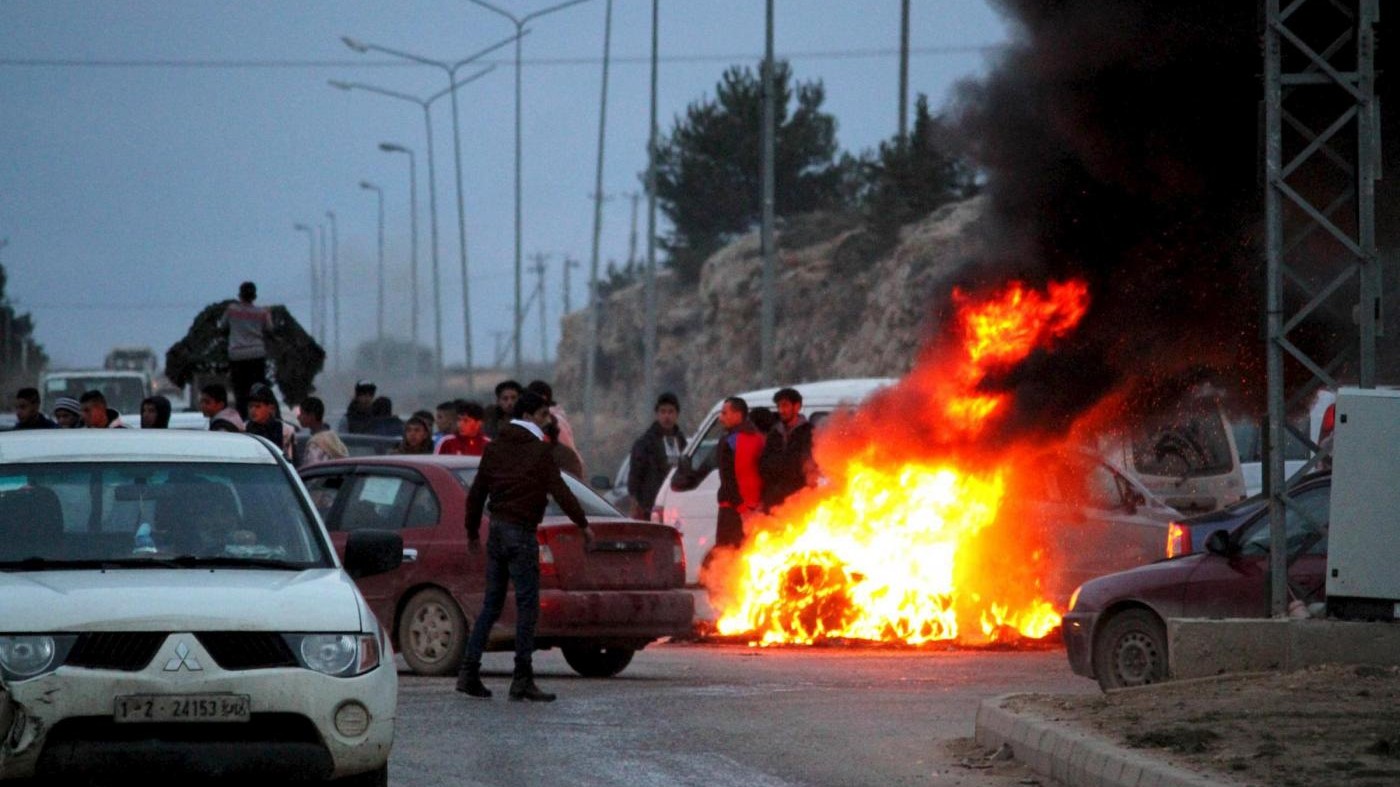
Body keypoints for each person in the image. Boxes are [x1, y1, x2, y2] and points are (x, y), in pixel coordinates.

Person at [455, 390, 591, 703]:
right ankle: (522, 678)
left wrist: (473, 533)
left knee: (492, 604)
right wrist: (583, 525)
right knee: (528, 607)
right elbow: (561, 491)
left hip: (498, 532)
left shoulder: (496, 446)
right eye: (544, 415)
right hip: (521, 533)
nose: (548, 420)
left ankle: (469, 672)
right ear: (529, 416)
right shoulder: (538, 451)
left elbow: (477, 493)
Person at [218, 281, 274, 419]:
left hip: (237, 356)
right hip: (256, 354)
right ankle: (260, 414)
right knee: (258, 389)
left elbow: (222, 327)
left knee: (240, 392)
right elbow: (270, 329)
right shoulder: (261, 312)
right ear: (254, 296)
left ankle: (243, 417)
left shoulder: (232, 310)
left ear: (240, 295)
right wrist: (269, 313)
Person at [627, 392, 688, 520]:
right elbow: (635, 476)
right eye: (663, 411)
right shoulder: (645, 443)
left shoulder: (682, 442)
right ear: (657, 414)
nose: (667, 416)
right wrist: (636, 504)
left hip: (676, 506)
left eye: (671, 412)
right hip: (651, 507)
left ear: (677, 414)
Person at [714, 397, 764, 549]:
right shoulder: (760, 439)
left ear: (738, 415)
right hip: (755, 509)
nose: (720, 418)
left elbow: (727, 478)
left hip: (732, 510)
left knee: (726, 557)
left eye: (724, 413)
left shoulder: (728, 441)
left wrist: (740, 506)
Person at [758, 387, 816, 511]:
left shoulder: (809, 432)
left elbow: (809, 465)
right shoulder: (774, 433)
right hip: (774, 500)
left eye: (785, 406)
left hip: (799, 501)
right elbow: (764, 464)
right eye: (779, 406)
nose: (781, 410)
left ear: (797, 406)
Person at [245, 384, 293, 460]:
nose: (253, 410)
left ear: (270, 408)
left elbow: (291, 460)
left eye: (258, 406)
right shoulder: (243, 429)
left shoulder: (285, 431)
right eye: (250, 406)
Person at [296, 396, 347, 466]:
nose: (298, 417)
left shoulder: (316, 444)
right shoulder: (333, 437)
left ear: (311, 416)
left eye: (302, 413)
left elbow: (312, 470)